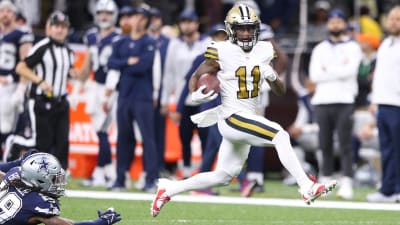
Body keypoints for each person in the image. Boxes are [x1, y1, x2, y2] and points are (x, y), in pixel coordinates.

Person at [151, 4, 337, 217]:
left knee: (223, 175)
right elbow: (196, 76)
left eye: (250, 28)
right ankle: (306, 186)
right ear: (231, 29)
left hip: (247, 115)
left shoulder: (265, 50)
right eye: (241, 28)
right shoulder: (221, 50)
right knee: (280, 135)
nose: (246, 33)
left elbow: (280, 90)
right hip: (231, 117)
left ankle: (169, 188)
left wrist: (272, 75)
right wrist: (196, 93)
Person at [309, 9, 362, 200]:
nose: (335, 25)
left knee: (346, 143)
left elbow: (351, 71)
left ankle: (347, 182)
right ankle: (326, 180)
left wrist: (328, 70)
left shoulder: (353, 47)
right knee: (325, 144)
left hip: (345, 100)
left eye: (339, 22)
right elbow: (315, 76)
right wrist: (338, 70)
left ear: (345, 24)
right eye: (332, 22)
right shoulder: (320, 48)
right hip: (322, 100)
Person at [15, 11, 77, 170]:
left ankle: (59, 179)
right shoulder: (42, 47)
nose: (60, 30)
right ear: (49, 28)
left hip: (60, 102)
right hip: (40, 101)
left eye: (63, 27)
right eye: (56, 26)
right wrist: (40, 81)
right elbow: (21, 67)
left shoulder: (68, 51)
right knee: (42, 142)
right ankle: (29, 171)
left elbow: (69, 72)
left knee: (62, 142)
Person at [107, 6, 158, 192]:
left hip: (142, 96)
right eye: (134, 16)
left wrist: (124, 65)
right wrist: (128, 62)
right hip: (124, 95)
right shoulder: (120, 42)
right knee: (124, 138)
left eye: (141, 17)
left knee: (147, 138)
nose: (137, 20)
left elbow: (143, 66)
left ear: (146, 21)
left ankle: (151, 179)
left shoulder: (149, 42)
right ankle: (120, 178)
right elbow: (110, 62)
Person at [0, 152, 122, 225]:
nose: (58, 182)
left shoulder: (15, 175)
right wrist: (99, 222)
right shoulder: (38, 203)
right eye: (54, 178)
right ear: (38, 181)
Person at [160, 9, 211, 178]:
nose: (186, 25)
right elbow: (169, 73)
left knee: (206, 136)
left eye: (189, 22)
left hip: (204, 96)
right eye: (183, 22)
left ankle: (206, 172)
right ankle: (187, 170)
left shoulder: (206, 42)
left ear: (196, 24)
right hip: (184, 98)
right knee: (184, 136)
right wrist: (166, 100)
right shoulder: (175, 44)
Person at [77, 0, 119, 188]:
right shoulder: (92, 36)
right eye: (101, 12)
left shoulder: (118, 37)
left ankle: (104, 172)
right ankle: (104, 171)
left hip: (112, 88)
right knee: (100, 131)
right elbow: (88, 63)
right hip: (96, 85)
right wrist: (79, 80)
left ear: (113, 15)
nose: (104, 16)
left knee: (104, 131)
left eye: (107, 13)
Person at [367, 6, 400, 203]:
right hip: (384, 103)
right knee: (386, 148)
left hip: (398, 104)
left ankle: (397, 189)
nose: (393, 22)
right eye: (391, 19)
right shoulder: (386, 43)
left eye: (398, 19)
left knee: (398, 148)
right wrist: (375, 99)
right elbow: (379, 75)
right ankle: (387, 189)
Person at [0, 0, 33, 158]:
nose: (5, 13)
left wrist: (21, 88)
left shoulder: (22, 33)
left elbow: (25, 62)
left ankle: (5, 166)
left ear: (14, 14)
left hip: (10, 85)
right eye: (2, 10)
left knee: (7, 128)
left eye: (8, 11)